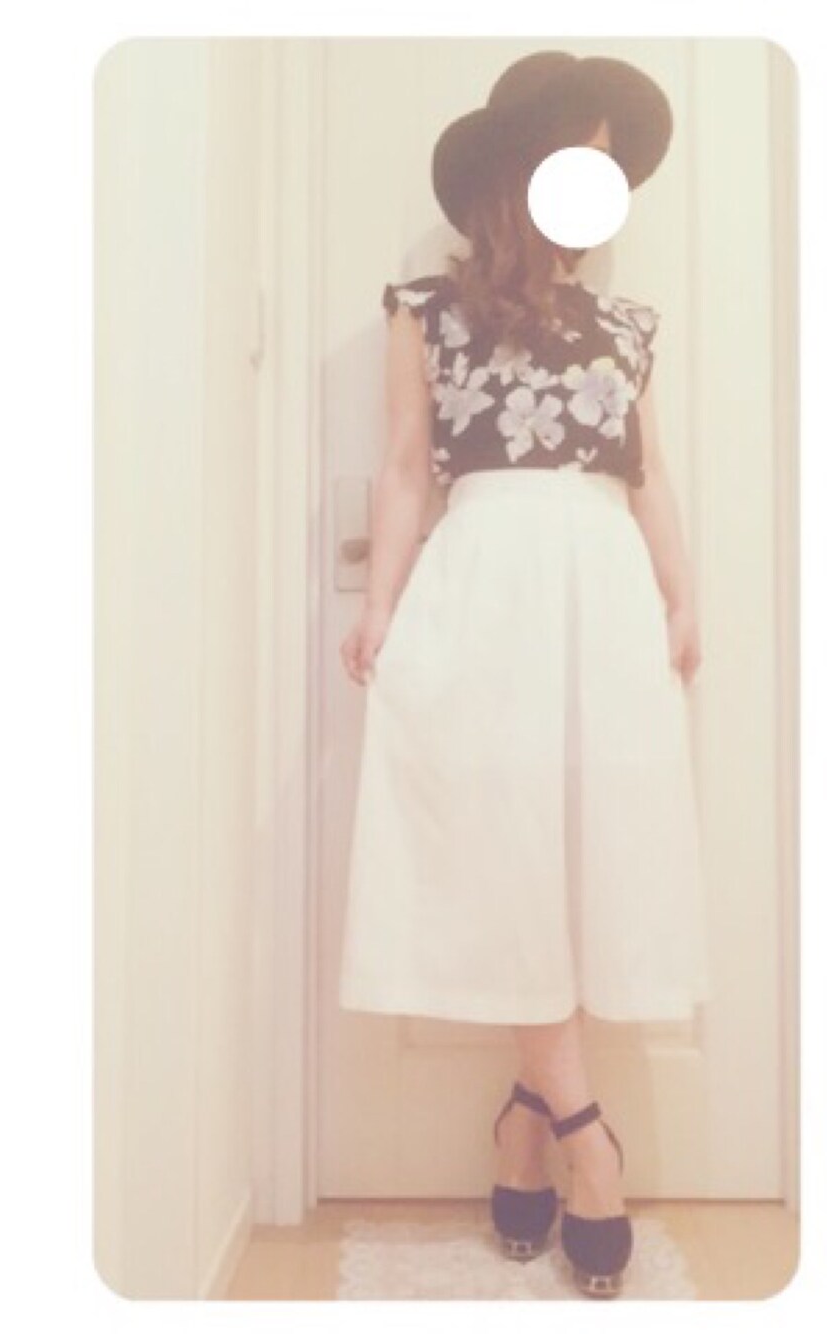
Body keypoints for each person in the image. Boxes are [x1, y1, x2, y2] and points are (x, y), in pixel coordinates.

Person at [336, 51, 712, 1300]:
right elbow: (406, 468)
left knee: (583, 855)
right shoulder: (423, 310)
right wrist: (379, 606)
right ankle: (585, 1133)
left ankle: (521, 1113)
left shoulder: (627, 324)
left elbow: (647, 473)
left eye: (607, 166)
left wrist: (681, 591)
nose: (595, 184)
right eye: (576, 159)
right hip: (481, 588)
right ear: (517, 173)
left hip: (602, 593)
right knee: (503, 852)